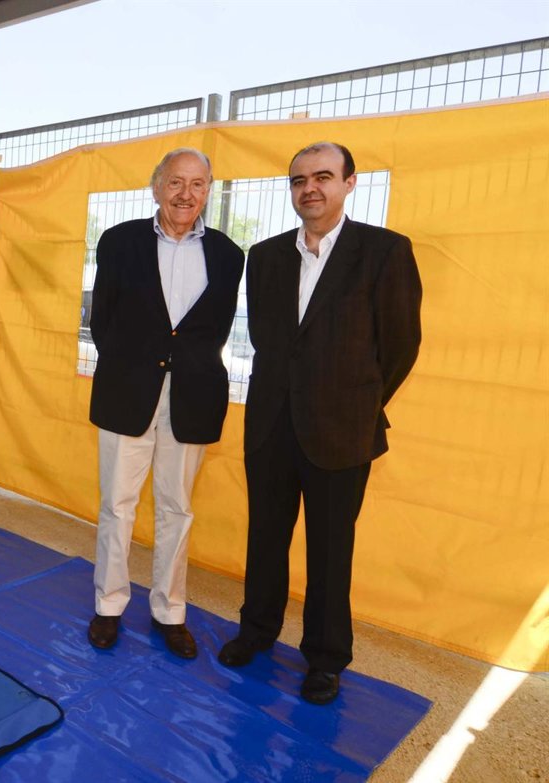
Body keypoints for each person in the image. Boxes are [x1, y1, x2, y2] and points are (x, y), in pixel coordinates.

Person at [217, 142, 422, 705]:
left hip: (342, 430)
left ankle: (326, 659)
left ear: (349, 183)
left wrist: (357, 404)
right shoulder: (265, 256)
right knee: (265, 536)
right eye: (299, 179)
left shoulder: (384, 251)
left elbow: (401, 345)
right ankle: (256, 631)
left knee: (331, 549)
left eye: (323, 177)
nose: (310, 188)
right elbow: (270, 341)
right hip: (271, 425)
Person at [87, 148, 244, 658]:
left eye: (198, 184)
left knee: (177, 508)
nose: (186, 194)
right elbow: (102, 320)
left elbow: (214, 329)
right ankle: (109, 605)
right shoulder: (119, 241)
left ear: (208, 191)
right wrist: (132, 368)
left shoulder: (229, 255)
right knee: (117, 505)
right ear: (156, 187)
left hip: (193, 397)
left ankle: (170, 611)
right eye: (176, 182)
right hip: (127, 392)